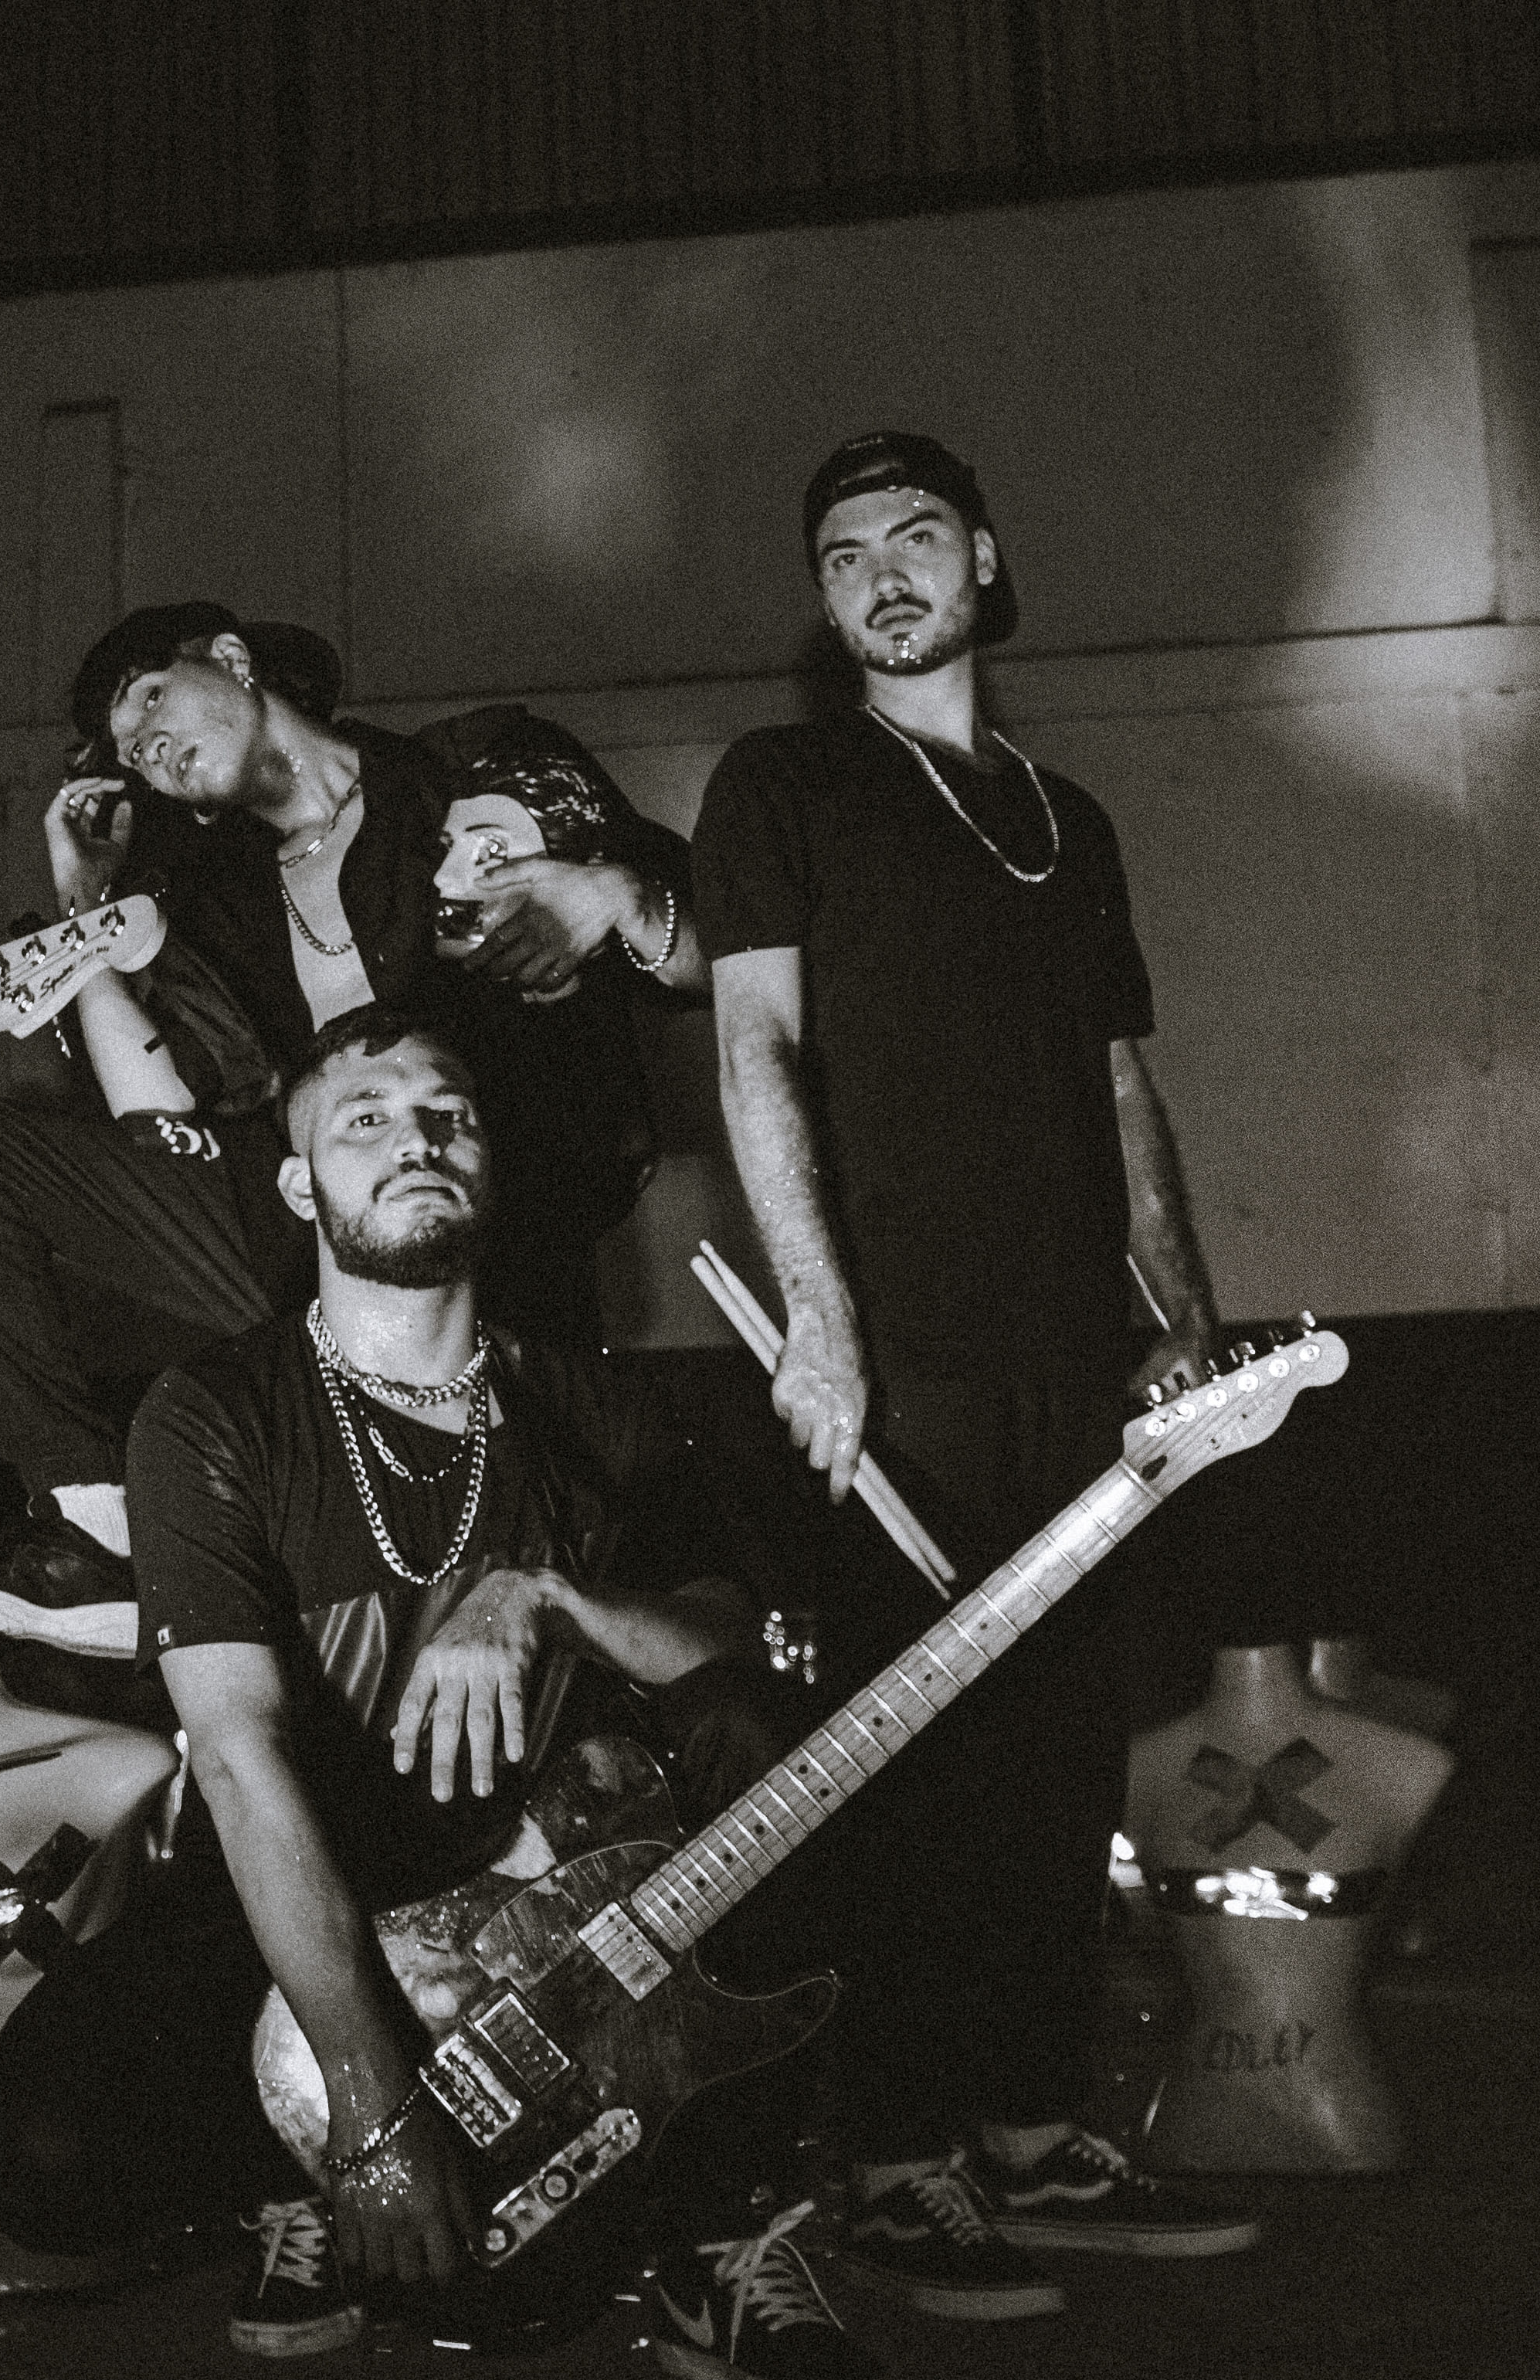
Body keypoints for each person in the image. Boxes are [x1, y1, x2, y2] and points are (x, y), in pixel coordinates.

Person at [0, 1010, 887, 2378]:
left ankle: (714, 2221)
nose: (416, 1141)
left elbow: (720, 1640)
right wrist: (372, 2107)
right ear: (300, 1186)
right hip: (300, 1873)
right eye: (366, 1120)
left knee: (754, 1731)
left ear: (488, 1161)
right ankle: (299, 2175)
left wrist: (543, 1595)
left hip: (520, 1881)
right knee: (38, 2155)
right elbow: (238, 1754)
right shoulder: (213, 1412)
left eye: (447, 1113)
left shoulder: (587, 1403)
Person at [692, 432, 1251, 2318]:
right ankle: (890, 2159)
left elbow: (1115, 1077)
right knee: (911, 1759)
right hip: (894, 1358)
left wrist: (1179, 1305)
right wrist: (820, 1318)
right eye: (842, 550)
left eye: (913, 535)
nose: (880, 571)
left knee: (1053, 1752)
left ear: (983, 560)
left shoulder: (1061, 816)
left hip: (1069, 1357)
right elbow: (754, 1049)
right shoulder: (782, 782)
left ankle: (1026, 2127)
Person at [0, 606, 701, 1642]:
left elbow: (720, 957)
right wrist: (84, 909)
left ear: (232, 661)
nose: (147, 746)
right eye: (129, 750)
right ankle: (98, 1528)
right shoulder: (207, 896)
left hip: (497, 1246)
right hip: (306, 1238)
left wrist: (619, 897)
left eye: (151, 700)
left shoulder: (474, 778)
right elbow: (160, 1116)